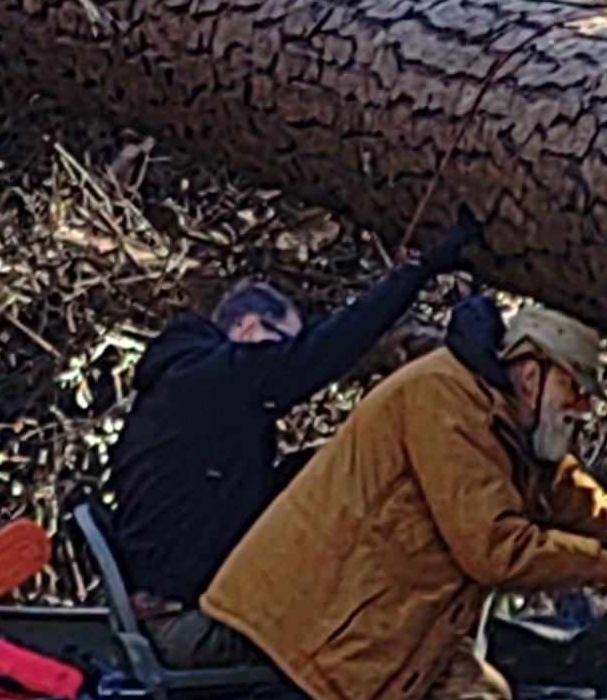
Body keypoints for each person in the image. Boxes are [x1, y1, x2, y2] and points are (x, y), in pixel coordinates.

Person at [187, 296, 607, 700]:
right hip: (321, 621)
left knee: (492, 693)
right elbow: (496, 549)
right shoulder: (447, 403)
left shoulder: (505, 414)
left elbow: (581, 504)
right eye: (575, 391)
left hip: (377, 611)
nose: (583, 407)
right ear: (532, 375)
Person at [90, 209, 481, 609]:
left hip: (168, 594)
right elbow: (329, 348)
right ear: (247, 328)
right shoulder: (222, 378)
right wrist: (422, 270)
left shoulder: (176, 386)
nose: (280, 357)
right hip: (184, 613)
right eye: (278, 343)